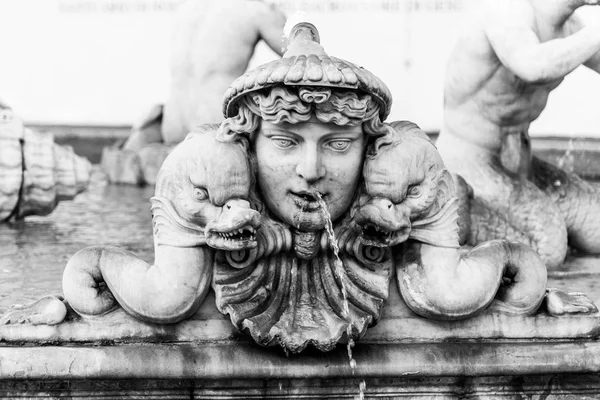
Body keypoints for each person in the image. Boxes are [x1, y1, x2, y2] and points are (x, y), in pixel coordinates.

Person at [435, 0, 600, 268]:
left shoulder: (571, 28)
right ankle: (462, 208)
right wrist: (595, 35)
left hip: (521, 164)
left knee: (596, 228)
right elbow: (532, 66)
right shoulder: (506, 12)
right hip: (469, 158)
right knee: (548, 247)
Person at [160, 0, 287, 144]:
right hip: (215, 128)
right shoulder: (255, 9)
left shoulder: (186, 8)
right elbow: (303, 55)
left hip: (173, 125)